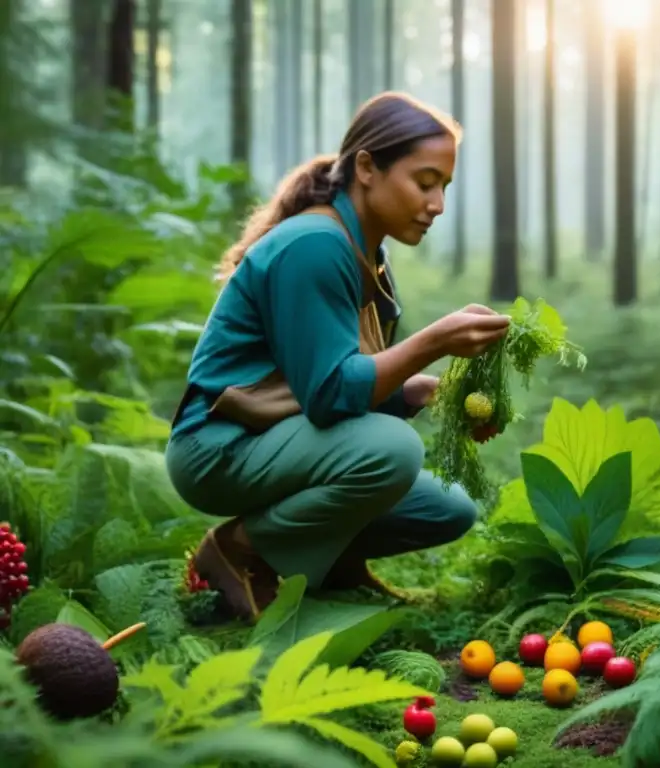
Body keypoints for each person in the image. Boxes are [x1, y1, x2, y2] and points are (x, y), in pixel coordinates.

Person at [164, 92, 510, 624]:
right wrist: (435, 340)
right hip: (219, 446)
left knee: (447, 508)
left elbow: (332, 380)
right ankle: (236, 550)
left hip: (274, 435)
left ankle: (334, 567)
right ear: (367, 167)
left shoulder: (365, 250)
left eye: (443, 185)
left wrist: (427, 390)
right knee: (391, 450)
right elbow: (329, 396)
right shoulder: (315, 245)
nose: (437, 203)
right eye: (424, 182)